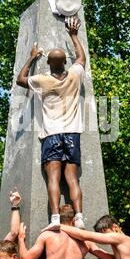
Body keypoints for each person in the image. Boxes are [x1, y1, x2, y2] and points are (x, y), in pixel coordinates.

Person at [16, 16, 87, 231]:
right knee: (72, 178)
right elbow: (82, 58)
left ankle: (55, 218)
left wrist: (31, 58)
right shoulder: (75, 76)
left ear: (48, 64)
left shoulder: (42, 80)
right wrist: (73, 36)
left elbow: (21, 79)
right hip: (73, 133)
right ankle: (80, 218)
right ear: (66, 62)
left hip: (52, 135)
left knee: (53, 178)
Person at [17, 204, 114, 259]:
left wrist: (21, 238)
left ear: (57, 220)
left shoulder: (47, 235)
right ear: (73, 221)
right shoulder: (86, 242)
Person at [60, 214, 130, 259]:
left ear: (115, 228)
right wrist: (90, 246)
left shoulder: (124, 239)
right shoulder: (120, 247)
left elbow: (84, 235)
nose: (103, 237)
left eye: (104, 233)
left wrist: (58, 225)